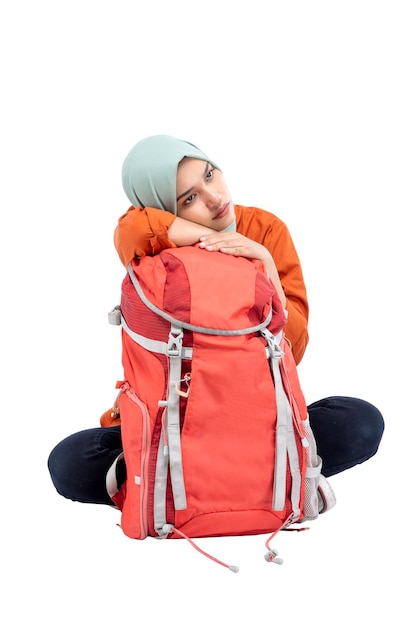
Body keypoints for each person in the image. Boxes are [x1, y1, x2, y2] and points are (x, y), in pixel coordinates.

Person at [48, 134, 384, 509]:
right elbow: (129, 229)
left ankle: (176, 486)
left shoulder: (264, 230)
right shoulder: (154, 244)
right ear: (164, 208)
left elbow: (293, 347)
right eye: (189, 199)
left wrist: (262, 262)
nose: (214, 198)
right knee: (68, 461)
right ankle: (265, 478)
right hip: (171, 419)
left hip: (257, 415)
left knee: (361, 422)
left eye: (210, 175)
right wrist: (213, 239)